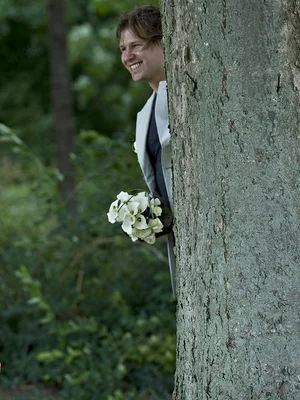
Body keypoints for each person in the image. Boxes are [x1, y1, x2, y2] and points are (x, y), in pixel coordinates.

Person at [117, 5, 177, 296]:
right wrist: (149, 218)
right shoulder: (144, 114)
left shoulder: (183, 97)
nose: (127, 57)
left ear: (162, 42)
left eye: (136, 46)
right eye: (123, 49)